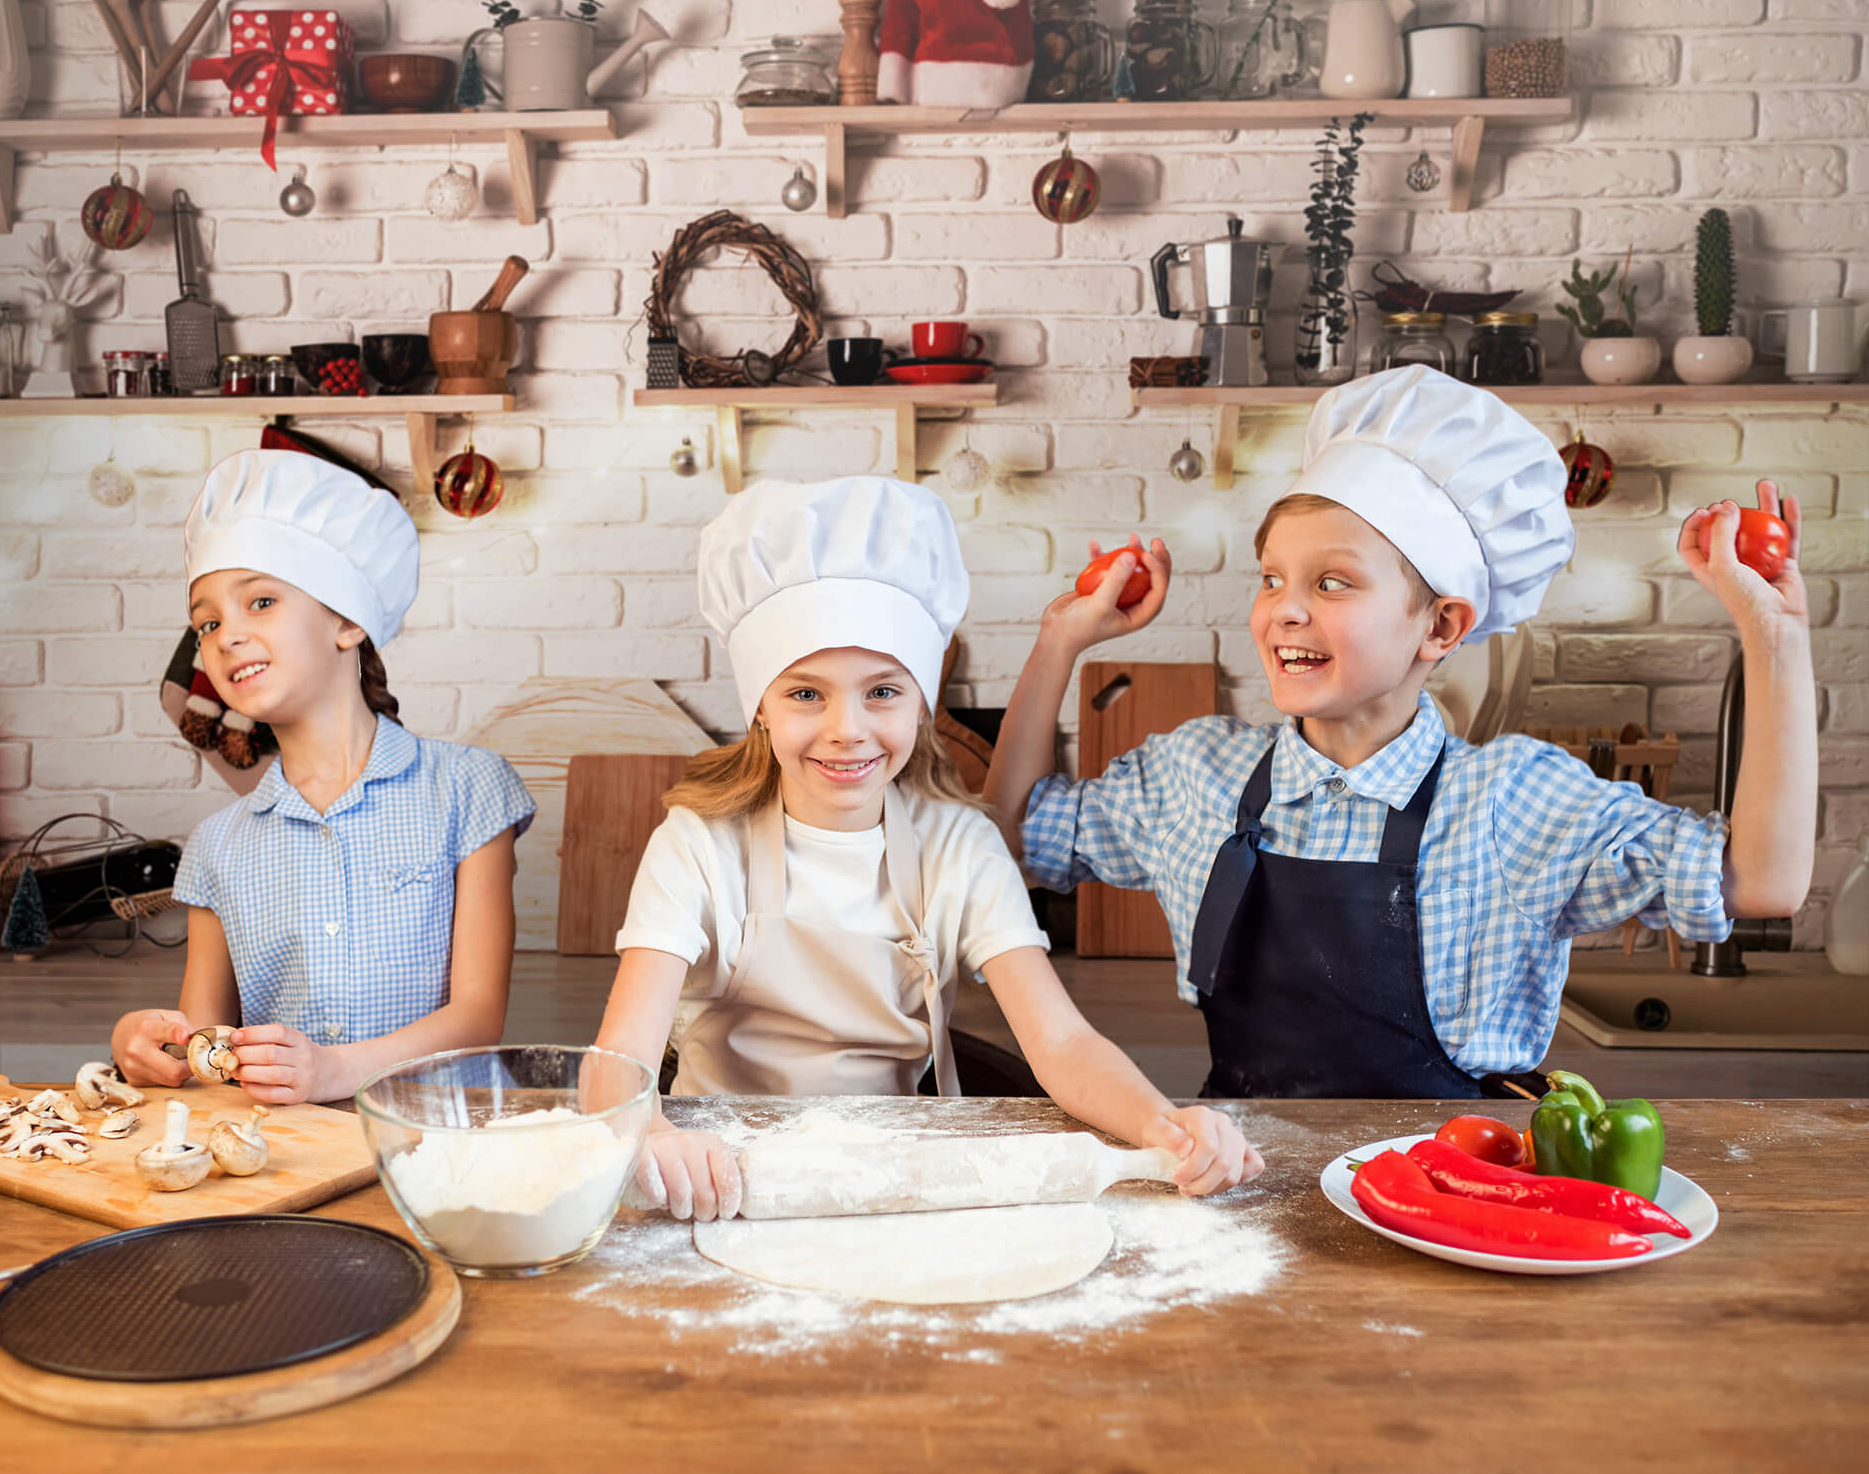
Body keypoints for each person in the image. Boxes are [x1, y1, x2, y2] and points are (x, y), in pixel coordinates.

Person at [986, 365, 1817, 1099]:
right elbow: (1014, 836)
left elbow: (1762, 881)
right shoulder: (1196, 778)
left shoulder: (1512, 803)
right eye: (1272, 576)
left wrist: (1773, 637)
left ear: (1442, 627)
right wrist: (1063, 634)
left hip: (1455, 1193)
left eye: (1333, 580)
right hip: (1250, 1176)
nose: (1286, 607)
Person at [592, 476, 1264, 1219]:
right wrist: (646, 1130)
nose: (848, 728)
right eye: (806, 693)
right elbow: (615, 1062)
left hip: (887, 1180)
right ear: (760, 709)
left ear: (922, 703)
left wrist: (1164, 1126)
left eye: (882, 691)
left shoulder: (959, 844)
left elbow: (1062, 1041)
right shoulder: (698, 844)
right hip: (716, 1182)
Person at [110, 450, 535, 1104]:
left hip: (450, 1148)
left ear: (347, 620)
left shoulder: (467, 789)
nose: (226, 637)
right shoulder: (217, 843)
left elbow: (478, 1017)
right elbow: (210, 1044)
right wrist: (152, 1047)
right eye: (209, 621)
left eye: (261, 600)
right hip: (289, 1152)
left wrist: (335, 1070)